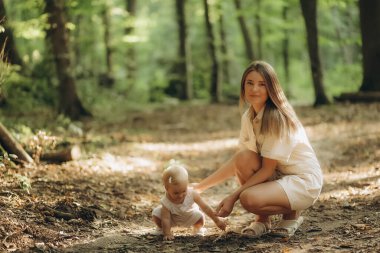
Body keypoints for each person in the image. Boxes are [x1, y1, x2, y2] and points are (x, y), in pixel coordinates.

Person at [194, 61, 323, 238]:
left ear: (271, 88)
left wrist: (233, 197)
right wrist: (199, 188)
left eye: (262, 84)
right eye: (250, 83)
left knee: (248, 199)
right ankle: (263, 220)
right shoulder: (249, 116)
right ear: (243, 86)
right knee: (243, 158)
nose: (255, 89)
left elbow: (267, 169)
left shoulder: (276, 118)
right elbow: (238, 162)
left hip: (302, 182)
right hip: (279, 175)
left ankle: (292, 216)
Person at [152, 161, 227, 240]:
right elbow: (166, 218)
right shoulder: (166, 201)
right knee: (156, 214)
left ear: (187, 185)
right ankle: (162, 229)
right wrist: (167, 233)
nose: (180, 195)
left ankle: (197, 229)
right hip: (172, 219)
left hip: (189, 216)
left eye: (184, 191)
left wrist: (217, 221)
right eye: (176, 193)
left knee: (200, 217)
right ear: (167, 189)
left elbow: (206, 208)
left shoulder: (192, 194)